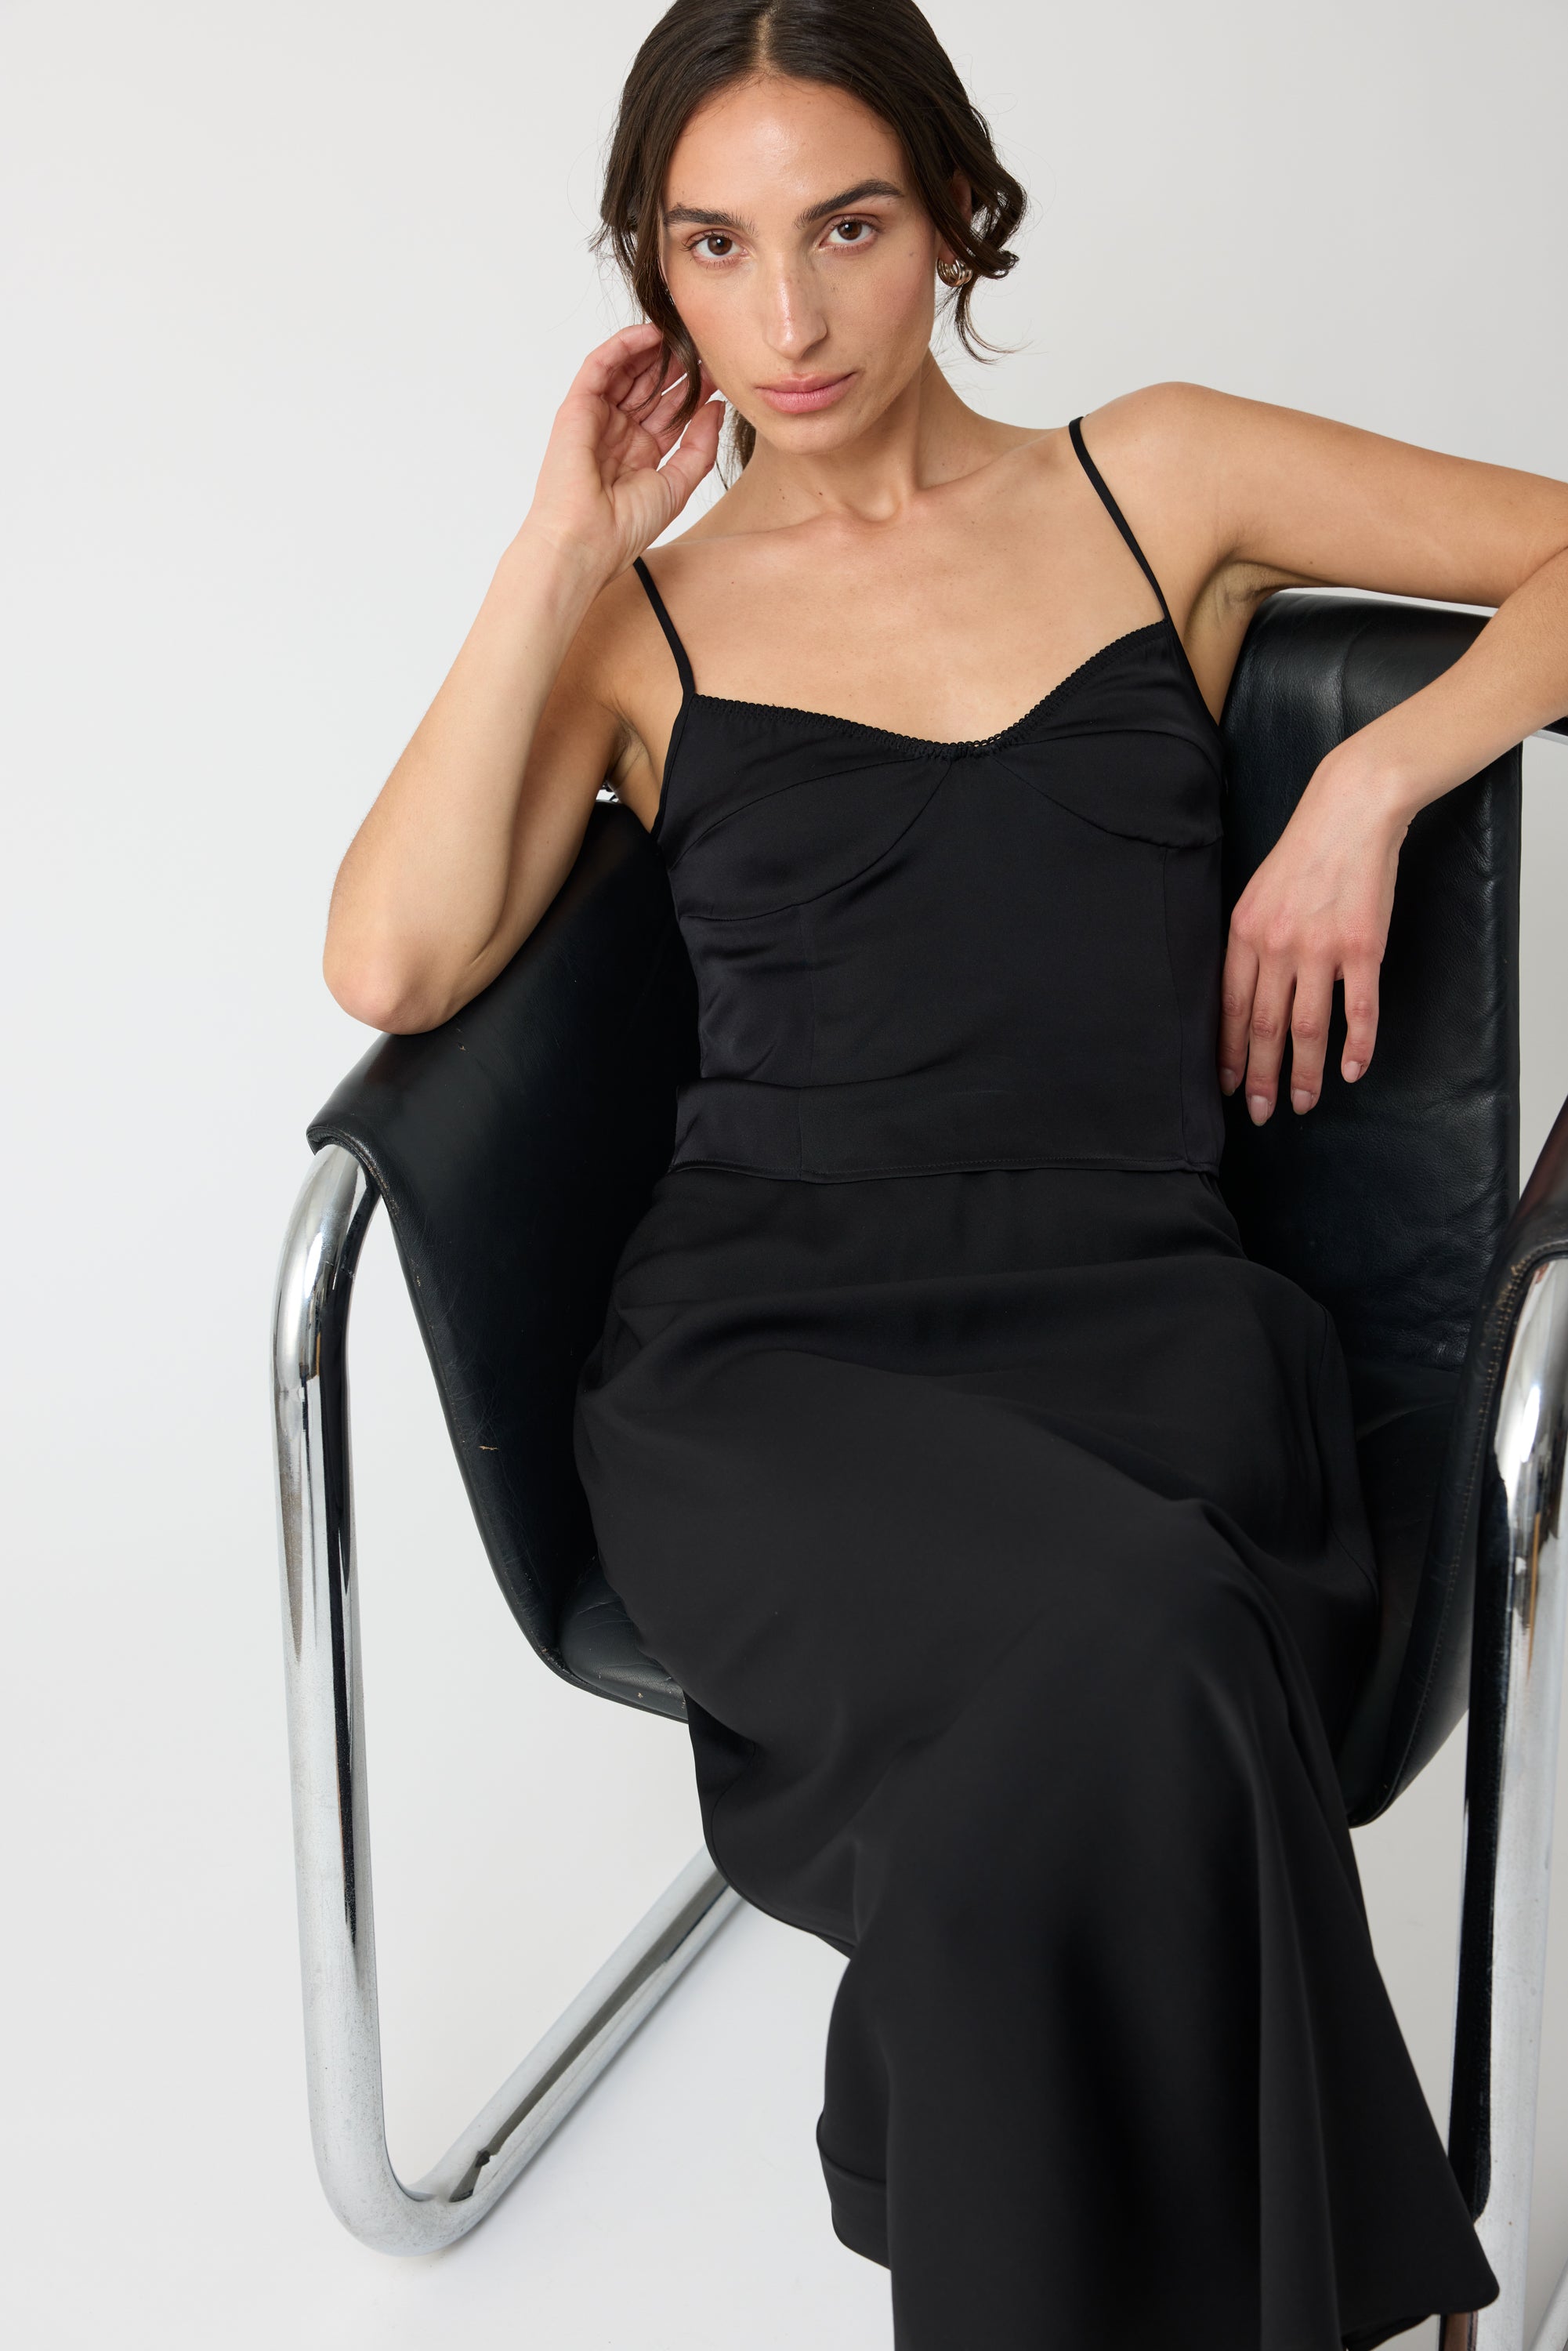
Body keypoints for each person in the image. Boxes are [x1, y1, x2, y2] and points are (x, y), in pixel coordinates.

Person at [321, 2, 1568, 2342]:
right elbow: (388, 955)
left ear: (955, 224)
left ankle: (936, 2134)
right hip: (760, 1362)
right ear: (653, 284)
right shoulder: (640, 629)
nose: (784, 318)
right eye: (711, 246)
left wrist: (1365, 784)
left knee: (1130, 1639)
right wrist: (554, 541)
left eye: (846, 228)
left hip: (1151, 1326)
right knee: (1115, 1659)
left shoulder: (1151, 482)